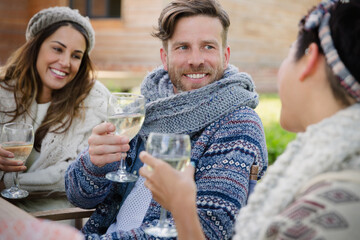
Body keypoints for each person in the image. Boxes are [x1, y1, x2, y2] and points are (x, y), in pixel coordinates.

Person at [139, 0, 360, 239]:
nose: (195, 59)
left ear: (310, 61)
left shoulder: (331, 201)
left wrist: (182, 208)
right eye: (183, 47)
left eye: (289, 51)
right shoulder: (150, 107)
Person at [65, 0, 268, 238]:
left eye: (208, 47)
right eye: (183, 47)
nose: (196, 60)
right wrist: (94, 165)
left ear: (225, 55)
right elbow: (78, 195)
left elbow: (210, 228)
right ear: (165, 57)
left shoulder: (238, 122)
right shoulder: (145, 110)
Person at [0, 6, 111, 212]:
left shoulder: (94, 100)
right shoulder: (3, 90)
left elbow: (77, 172)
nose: (65, 62)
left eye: (76, 56)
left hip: (57, 215)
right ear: (36, 46)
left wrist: (9, 184)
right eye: (57, 49)